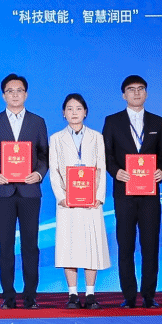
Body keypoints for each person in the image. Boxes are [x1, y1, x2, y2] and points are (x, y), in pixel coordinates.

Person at [101, 75, 162, 308]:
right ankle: (128, 295)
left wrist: (161, 170)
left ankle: (149, 295)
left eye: (140, 89)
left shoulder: (157, 122)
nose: (136, 93)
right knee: (125, 245)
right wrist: (115, 171)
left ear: (146, 93)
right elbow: (106, 154)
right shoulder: (112, 121)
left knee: (150, 245)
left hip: (150, 193)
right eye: (131, 89)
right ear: (123, 95)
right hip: (124, 192)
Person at [0, 73, 49, 309]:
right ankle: (8, 296)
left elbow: (44, 155)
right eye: (10, 91)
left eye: (19, 90)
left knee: (31, 245)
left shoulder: (37, 121)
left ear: (26, 94)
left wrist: (39, 174)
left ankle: (30, 295)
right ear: (3, 95)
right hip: (3, 192)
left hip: (30, 191)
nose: (15, 94)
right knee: (5, 246)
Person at [49, 93, 110, 309]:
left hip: (91, 201)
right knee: (70, 246)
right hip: (68, 202)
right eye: (69, 109)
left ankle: (91, 293)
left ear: (85, 112)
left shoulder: (96, 137)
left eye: (78, 108)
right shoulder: (56, 138)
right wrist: (61, 197)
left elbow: (101, 168)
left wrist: (99, 197)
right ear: (63, 113)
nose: (74, 113)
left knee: (91, 246)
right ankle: (73, 294)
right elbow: (54, 171)